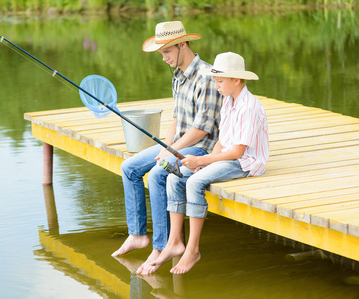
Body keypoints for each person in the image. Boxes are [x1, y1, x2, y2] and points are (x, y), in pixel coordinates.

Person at [111, 21, 223, 275]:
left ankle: (163, 246)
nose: (163, 58)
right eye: (161, 53)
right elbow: (176, 117)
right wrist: (166, 145)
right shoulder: (178, 75)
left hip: (201, 149)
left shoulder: (206, 77)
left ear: (182, 45)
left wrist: (171, 152)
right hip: (181, 145)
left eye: (167, 52)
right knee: (129, 167)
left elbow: (202, 129)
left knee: (159, 174)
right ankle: (138, 234)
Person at [144, 51, 269, 274]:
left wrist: (202, 160)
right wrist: (207, 162)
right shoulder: (228, 101)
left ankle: (193, 250)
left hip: (246, 162)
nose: (216, 85)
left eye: (219, 81)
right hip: (228, 156)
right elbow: (223, 140)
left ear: (236, 80)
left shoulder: (248, 107)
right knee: (176, 177)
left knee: (194, 183)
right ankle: (174, 242)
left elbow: (237, 151)